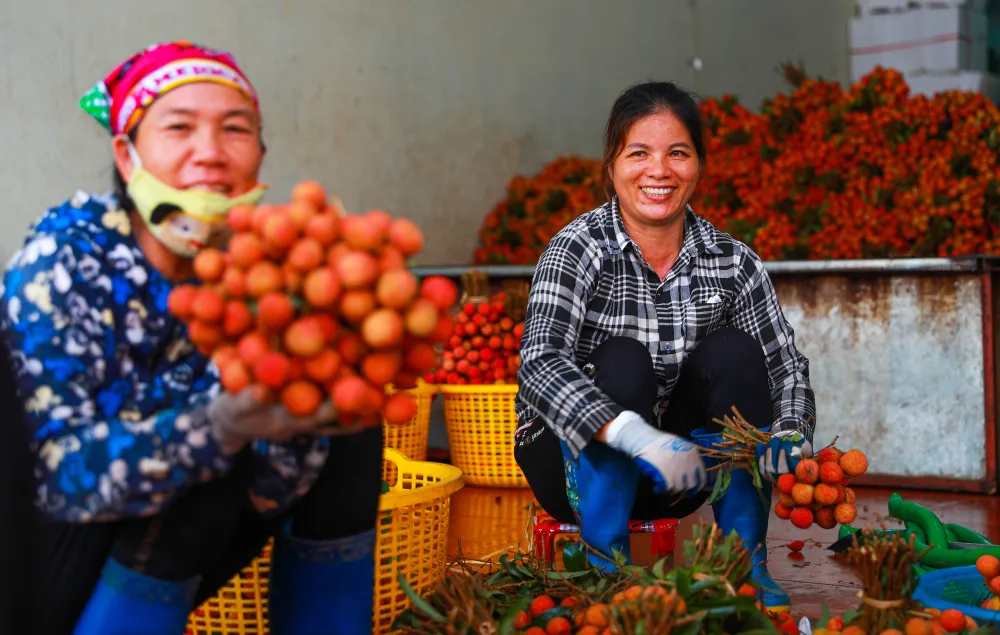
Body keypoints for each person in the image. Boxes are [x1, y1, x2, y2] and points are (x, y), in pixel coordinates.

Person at [0, 41, 383, 635]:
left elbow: (265, 493)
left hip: (170, 538)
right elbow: (55, 479)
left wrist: (293, 421)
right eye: (178, 127)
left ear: (260, 155)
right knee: (207, 458)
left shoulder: (258, 274)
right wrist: (220, 427)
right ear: (127, 157)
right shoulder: (64, 264)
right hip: (39, 557)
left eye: (235, 130)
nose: (210, 153)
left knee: (346, 424)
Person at [513, 81, 816, 612]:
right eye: (639, 154)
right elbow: (539, 366)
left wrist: (790, 433)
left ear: (699, 165)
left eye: (678, 153)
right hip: (570, 466)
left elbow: (783, 365)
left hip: (677, 473)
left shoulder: (732, 261)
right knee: (622, 358)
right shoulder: (577, 248)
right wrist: (629, 431)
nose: (659, 171)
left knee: (737, 351)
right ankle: (603, 572)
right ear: (611, 165)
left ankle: (746, 569)